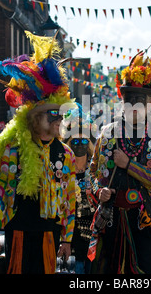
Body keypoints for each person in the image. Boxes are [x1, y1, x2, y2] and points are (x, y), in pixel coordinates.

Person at [0, 32, 77, 274]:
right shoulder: (14, 150)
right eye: (52, 115)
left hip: (50, 233)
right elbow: (1, 187)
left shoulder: (65, 153)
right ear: (35, 119)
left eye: (60, 114)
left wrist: (67, 238)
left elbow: (70, 197)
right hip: (18, 229)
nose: (58, 119)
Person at [88, 50, 151, 274]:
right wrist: (100, 191)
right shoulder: (107, 134)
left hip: (144, 221)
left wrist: (129, 165)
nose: (133, 104)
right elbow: (92, 173)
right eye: (128, 99)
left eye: (139, 100)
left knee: (145, 271)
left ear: (150, 103)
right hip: (111, 220)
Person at [62, 106, 96, 274]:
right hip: (70, 229)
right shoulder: (64, 169)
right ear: (69, 144)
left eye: (84, 141)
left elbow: (100, 194)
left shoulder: (95, 169)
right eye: (75, 141)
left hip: (91, 229)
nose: (80, 145)